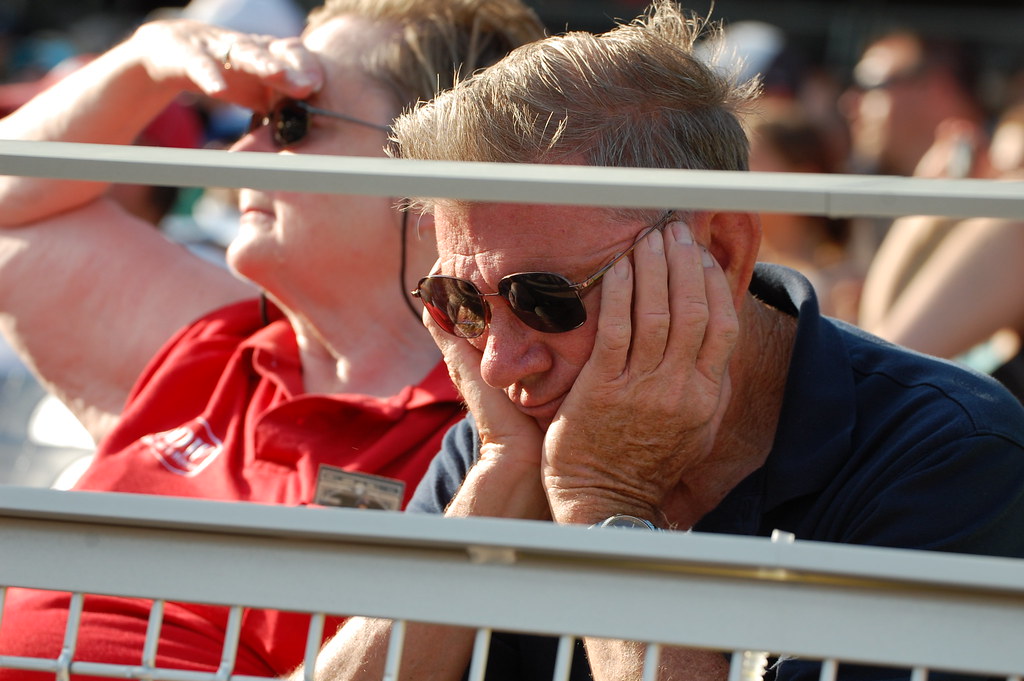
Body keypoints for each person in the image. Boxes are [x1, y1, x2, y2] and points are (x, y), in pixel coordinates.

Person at [303, 3, 1024, 680]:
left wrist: (601, 506)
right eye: (461, 302)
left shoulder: (949, 452)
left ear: (721, 253)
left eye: (544, 297)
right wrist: (493, 487)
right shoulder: (506, 433)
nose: (499, 360)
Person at [0, 0, 545, 677]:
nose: (242, 150)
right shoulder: (218, 342)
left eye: (291, 121)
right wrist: (146, 63)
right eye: (255, 118)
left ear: (435, 173)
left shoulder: (501, 418)